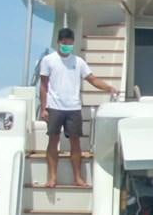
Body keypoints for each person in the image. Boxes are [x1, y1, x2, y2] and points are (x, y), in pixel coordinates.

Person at [38, 27, 116, 188]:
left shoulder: (79, 62)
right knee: (53, 140)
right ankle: (52, 177)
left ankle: (78, 178)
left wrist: (108, 88)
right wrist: (44, 108)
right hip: (54, 106)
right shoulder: (48, 60)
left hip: (73, 107)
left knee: (75, 142)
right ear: (58, 42)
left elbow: (92, 79)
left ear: (73, 43)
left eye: (69, 43)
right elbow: (43, 86)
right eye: (64, 42)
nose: (66, 45)